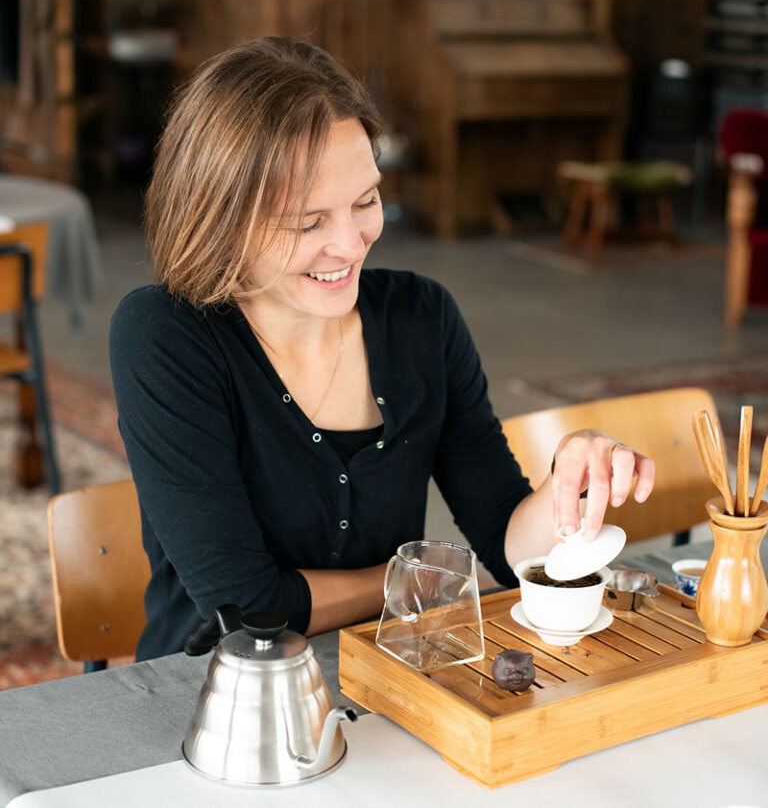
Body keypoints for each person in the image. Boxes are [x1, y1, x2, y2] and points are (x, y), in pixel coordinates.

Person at [110, 37, 655, 660]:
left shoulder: (422, 318)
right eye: (308, 222)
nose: (351, 244)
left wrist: (568, 481)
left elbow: (507, 546)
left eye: (366, 201)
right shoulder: (166, 334)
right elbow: (244, 607)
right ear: (221, 219)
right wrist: (418, 583)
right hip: (213, 691)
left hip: (387, 677)